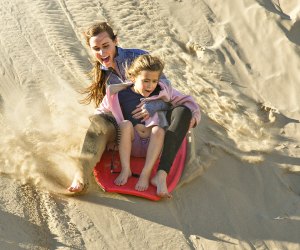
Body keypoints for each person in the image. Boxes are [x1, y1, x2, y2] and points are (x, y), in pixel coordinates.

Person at [67, 22, 201, 197]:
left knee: (182, 112)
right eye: (96, 48)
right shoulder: (106, 77)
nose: (102, 53)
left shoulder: (138, 58)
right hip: (126, 132)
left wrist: (156, 107)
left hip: (154, 129)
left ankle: (160, 174)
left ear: (116, 41)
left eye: (106, 46)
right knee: (100, 123)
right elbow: (104, 109)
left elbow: (165, 91)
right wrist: (104, 129)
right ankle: (80, 175)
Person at [96, 54, 200, 193]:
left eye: (154, 81)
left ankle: (145, 173)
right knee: (125, 124)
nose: (150, 85)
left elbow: (189, 103)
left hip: (153, 146)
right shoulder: (119, 94)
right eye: (145, 80)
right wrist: (107, 135)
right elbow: (100, 113)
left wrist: (193, 119)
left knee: (158, 130)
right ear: (133, 78)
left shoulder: (163, 91)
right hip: (129, 143)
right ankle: (126, 170)